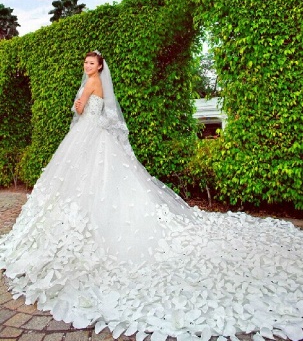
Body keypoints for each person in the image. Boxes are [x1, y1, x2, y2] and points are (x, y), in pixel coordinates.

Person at [0, 51, 303, 341]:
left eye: (91, 63)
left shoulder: (89, 84)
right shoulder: (98, 84)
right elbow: (105, 116)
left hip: (86, 137)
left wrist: (78, 104)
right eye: (85, 62)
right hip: (97, 137)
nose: (87, 66)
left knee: (84, 184)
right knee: (105, 182)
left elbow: (81, 112)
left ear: (99, 67)